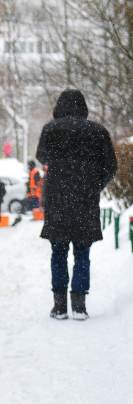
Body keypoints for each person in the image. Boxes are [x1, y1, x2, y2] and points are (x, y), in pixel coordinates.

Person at [35, 89, 117, 320]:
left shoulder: (51, 129)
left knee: (58, 252)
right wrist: (93, 184)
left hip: (58, 200)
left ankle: (59, 306)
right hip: (85, 201)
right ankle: (79, 305)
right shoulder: (98, 132)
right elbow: (110, 166)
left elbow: (42, 156)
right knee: (82, 252)